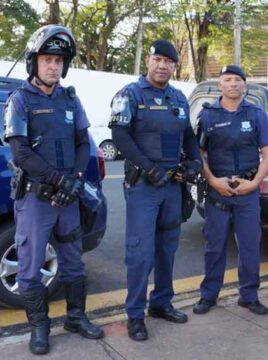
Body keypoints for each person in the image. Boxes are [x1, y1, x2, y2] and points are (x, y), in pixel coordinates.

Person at [3, 25, 104, 355]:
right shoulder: (20, 100)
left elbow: (80, 142)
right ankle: (40, 327)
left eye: (59, 61)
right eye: (47, 59)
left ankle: (76, 317)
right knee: (30, 268)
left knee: (73, 263)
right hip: (36, 200)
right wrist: (59, 180)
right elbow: (20, 152)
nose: (54, 66)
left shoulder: (71, 100)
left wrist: (74, 178)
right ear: (35, 62)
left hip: (68, 199)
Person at [108, 39, 202, 341]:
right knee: (140, 252)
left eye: (169, 61)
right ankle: (135, 314)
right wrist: (149, 168)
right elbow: (119, 136)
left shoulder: (178, 98)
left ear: (175, 66)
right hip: (144, 186)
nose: (162, 66)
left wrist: (195, 161)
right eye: (158, 59)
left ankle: (161, 303)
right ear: (148, 61)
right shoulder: (130, 95)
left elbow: (188, 135)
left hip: (172, 186)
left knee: (167, 248)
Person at [192, 65, 268, 316]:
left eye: (237, 80)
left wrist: (254, 183)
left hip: (247, 190)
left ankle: (249, 296)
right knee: (214, 246)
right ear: (220, 84)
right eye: (227, 80)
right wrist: (212, 181)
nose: (232, 84)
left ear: (244, 85)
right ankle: (208, 296)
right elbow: (199, 154)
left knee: (250, 246)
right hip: (217, 191)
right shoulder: (207, 115)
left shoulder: (256, 114)